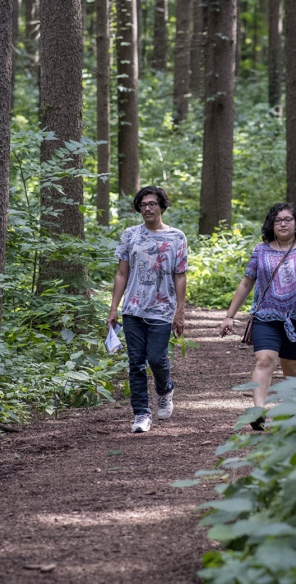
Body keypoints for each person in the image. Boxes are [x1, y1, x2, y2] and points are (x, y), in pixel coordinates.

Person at [220, 203, 296, 430]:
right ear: (271, 224)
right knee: (264, 360)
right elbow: (247, 282)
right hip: (265, 316)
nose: (283, 223)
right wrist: (230, 315)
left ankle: (292, 410)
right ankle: (258, 411)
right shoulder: (261, 250)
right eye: (278, 220)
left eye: (288, 219)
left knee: (291, 368)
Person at [108, 186, 188, 434]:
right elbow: (122, 273)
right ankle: (141, 414)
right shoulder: (130, 235)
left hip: (163, 309)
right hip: (132, 309)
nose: (147, 208)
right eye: (143, 204)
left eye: (152, 203)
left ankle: (165, 390)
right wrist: (113, 308)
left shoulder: (177, 237)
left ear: (162, 206)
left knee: (156, 358)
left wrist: (180, 311)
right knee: (135, 363)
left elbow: (180, 275)